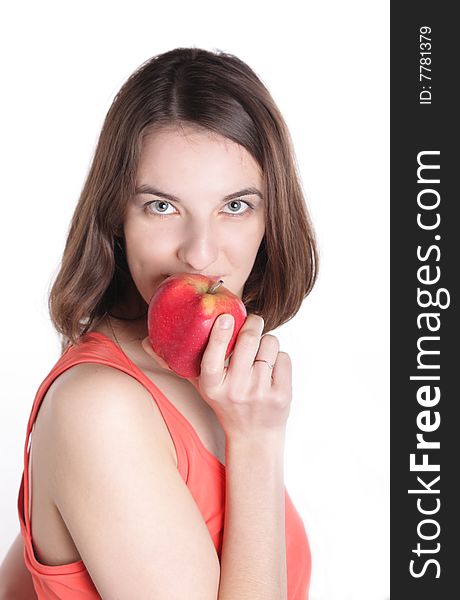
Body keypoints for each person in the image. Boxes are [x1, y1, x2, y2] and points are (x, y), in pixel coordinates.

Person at [0, 47, 318, 599]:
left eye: (236, 206)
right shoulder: (99, 406)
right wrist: (257, 441)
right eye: (162, 206)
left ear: (272, 218)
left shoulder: (207, 381)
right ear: (116, 216)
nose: (199, 255)